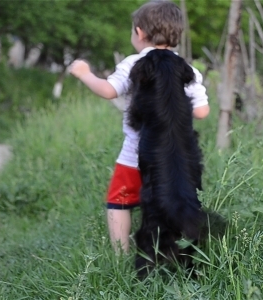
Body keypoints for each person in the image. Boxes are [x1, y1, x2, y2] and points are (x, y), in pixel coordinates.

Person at [67, 0, 210, 254]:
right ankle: (177, 250)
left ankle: (120, 255)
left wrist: (84, 73)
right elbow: (202, 111)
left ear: (140, 33)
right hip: (174, 158)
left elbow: (110, 91)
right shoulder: (187, 69)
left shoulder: (134, 63)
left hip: (135, 155)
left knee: (118, 202)